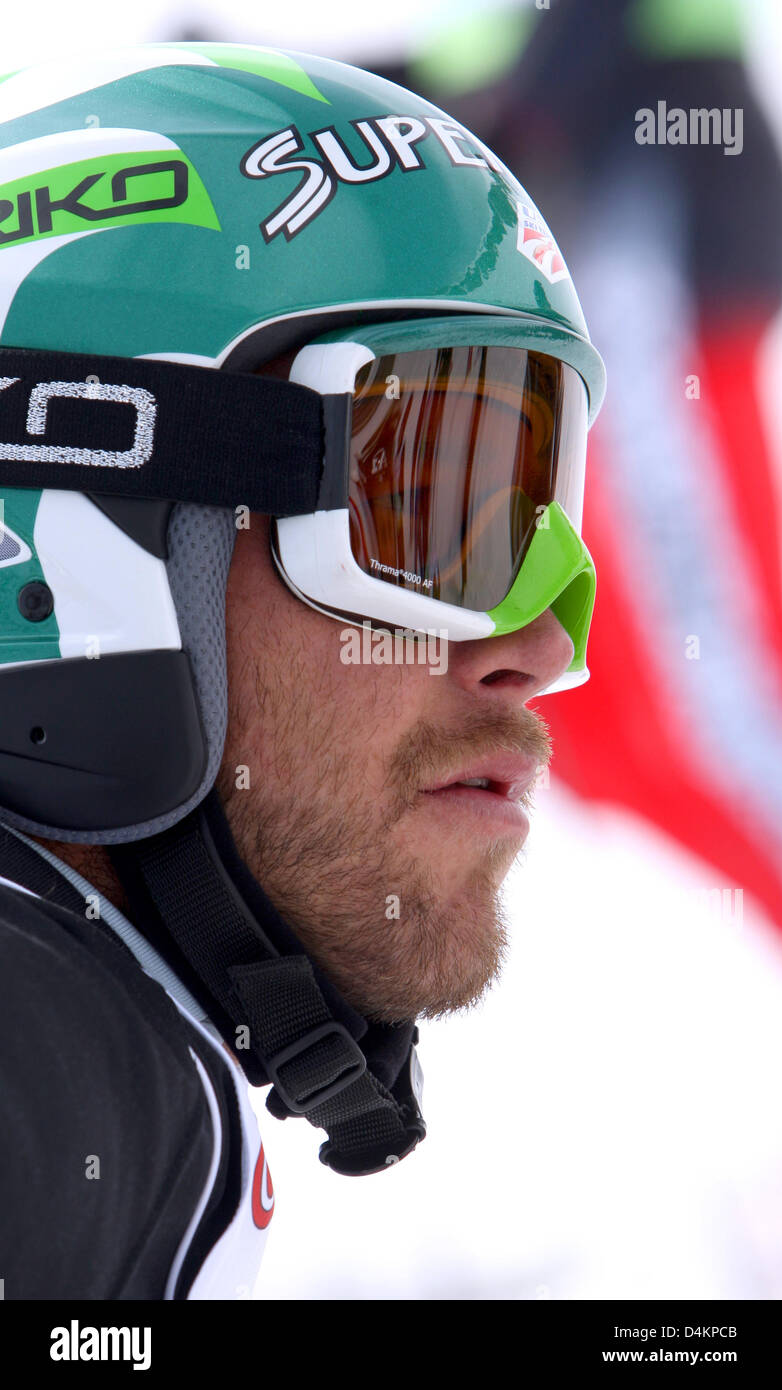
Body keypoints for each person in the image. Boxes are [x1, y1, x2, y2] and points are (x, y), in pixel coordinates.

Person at [0, 41, 604, 1299]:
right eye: (428, 514)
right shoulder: (48, 1076)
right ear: (84, 515)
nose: (539, 649)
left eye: (533, 514)